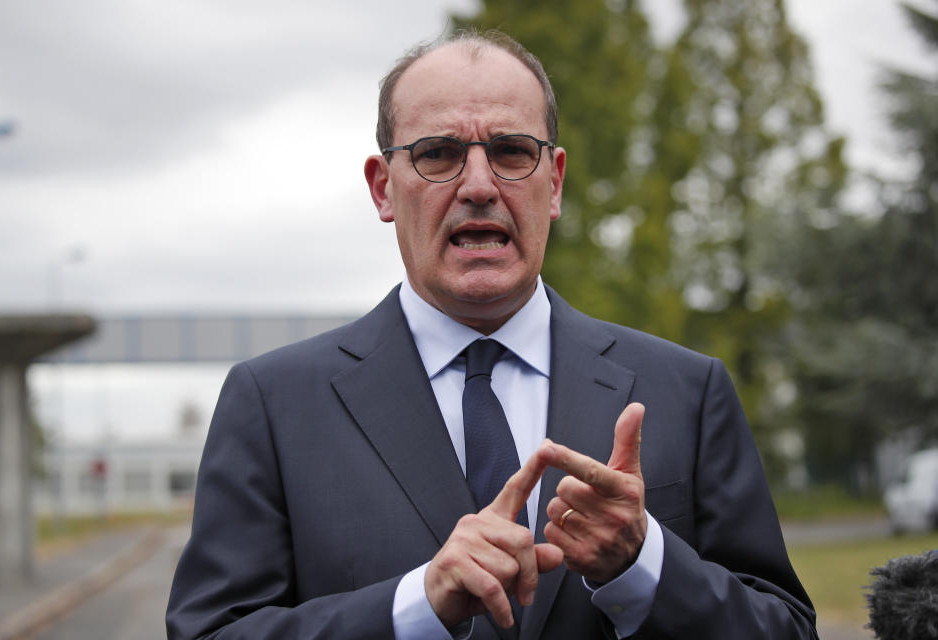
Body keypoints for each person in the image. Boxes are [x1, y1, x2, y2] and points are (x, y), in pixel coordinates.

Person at [166, 30, 817, 639]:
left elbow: (786, 626)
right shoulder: (273, 404)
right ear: (383, 187)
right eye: (439, 154)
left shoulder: (686, 391)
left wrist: (643, 563)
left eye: (510, 151)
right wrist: (417, 603)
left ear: (554, 182)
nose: (478, 185)